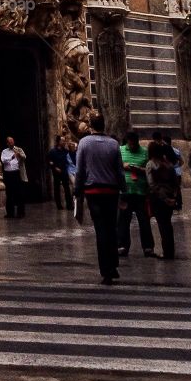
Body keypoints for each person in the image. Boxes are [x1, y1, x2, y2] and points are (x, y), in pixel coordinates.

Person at [74, 113, 127, 284]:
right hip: (111, 192)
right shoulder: (114, 144)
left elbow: (80, 169)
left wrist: (77, 190)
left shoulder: (84, 143)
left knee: (101, 230)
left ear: (90, 126)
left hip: (93, 192)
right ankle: (113, 266)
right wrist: (124, 191)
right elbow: (119, 171)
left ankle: (106, 270)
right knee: (112, 229)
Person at [117, 130, 156, 257]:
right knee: (123, 220)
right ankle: (122, 246)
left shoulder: (145, 152)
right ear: (127, 142)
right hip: (125, 192)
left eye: (134, 144)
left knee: (144, 220)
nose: (132, 146)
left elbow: (150, 168)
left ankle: (148, 247)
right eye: (130, 144)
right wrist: (124, 165)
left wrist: (139, 169)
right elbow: (115, 166)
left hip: (141, 193)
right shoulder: (120, 150)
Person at [146, 140, 178, 260]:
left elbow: (152, 184)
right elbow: (175, 182)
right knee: (168, 225)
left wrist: (164, 198)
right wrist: (173, 198)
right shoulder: (168, 164)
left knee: (162, 225)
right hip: (169, 197)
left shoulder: (150, 164)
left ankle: (166, 252)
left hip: (159, 199)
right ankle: (170, 251)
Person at [0, 135, 28, 218]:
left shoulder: (18, 149)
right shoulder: (4, 151)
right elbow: (3, 160)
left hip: (16, 173)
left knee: (19, 193)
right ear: (7, 143)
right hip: (8, 174)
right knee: (9, 194)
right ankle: (10, 213)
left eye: (13, 142)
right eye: (10, 142)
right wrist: (11, 157)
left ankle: (21, 212)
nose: (12, 144)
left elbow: (24, 157)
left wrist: (19, 154)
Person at [48, 135, 73, 209]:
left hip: (64, 171)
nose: (64, 142)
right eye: (62, 140)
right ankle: (59, 205)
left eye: (64, 140)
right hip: (56, 173)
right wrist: (55, 167)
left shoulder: (66, 151)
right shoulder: (52, 151)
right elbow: (49, 161)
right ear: (58, 141)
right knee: (57, 189)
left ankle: (69, 205)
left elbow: (70, 160)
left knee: (67, 189)